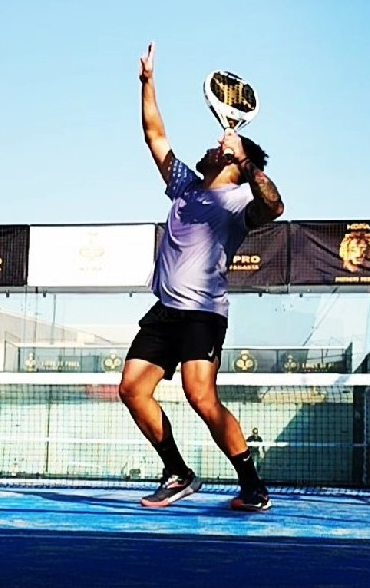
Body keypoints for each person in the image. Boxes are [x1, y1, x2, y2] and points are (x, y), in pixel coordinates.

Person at [119, 42, 284, 512]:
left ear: (234, 163)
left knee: (200, 396)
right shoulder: (185, 187)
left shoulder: (240, 202)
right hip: (165, 311)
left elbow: (275, 205)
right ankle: (178, 472)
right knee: (132, 389)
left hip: (202, 315)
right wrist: (147, 83)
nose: (212, 147)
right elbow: (154, 135)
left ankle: (252, 485)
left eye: (220, 149)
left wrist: (246, 161)